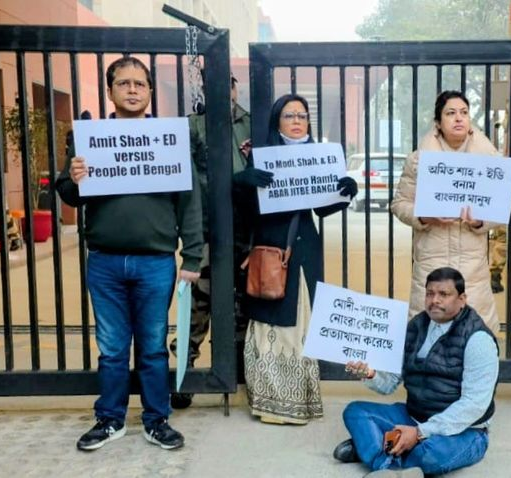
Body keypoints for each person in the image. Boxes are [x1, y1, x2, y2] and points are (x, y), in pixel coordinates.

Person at [56, 57, 203, 450]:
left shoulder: (168, 138)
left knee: (153, 346)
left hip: (155, 262)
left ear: (150, 91)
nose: (133, 90)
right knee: (112, 347)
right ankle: (110, 420)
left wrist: (192, 257)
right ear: (111, 91)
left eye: (140, 83)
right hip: (104, 262)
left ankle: (157, 420)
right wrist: (72, 178)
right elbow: (68, 194)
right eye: (124, 83)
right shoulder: (91, 138)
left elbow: (189, 200)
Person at [235, 93, 358, 425]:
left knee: (301, 325)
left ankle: (297, 403)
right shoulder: (262, 157)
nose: (297, 121)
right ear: (277, 121)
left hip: (303, 252)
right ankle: (269, 403)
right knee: (272, 325)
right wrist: (243, 184)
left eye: (302, 115)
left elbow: (323, 207)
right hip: (271, 251)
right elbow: (246, 212)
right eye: (289, 115)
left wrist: (345, 191)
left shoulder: (318, 156)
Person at [333, 267, 498, 478]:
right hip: (414, 416)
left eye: (444, 294)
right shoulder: (416, 327)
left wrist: (420, 433)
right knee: (356, 412)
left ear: (462, 299)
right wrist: (370, 374)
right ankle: (387, 467)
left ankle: (375, 447)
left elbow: (473, 405)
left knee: (431, 453)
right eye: (430, 293)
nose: (435, 300)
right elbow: (390, 383)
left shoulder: (478, 340)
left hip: (464, 431)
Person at [169, 73, 252, 409]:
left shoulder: (253, 123)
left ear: (235, 89)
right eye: (215, 86)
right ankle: (185, 372)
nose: (224, 92)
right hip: (207, 228)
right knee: (200, 301)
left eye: (229, 86)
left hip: (246, 227)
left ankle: (235, 370)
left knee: (243, 302)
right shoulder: (192, 126)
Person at [391, 90, 501, 332]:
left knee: (474, 333)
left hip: (472, 264)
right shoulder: (419, 161)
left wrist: (480, 221)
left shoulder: (489, 161)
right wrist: (423, 216)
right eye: (451, 113)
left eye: (464, 113)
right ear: (438, 123)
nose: (459, 118)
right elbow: (399, 204)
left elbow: (500, 207)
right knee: (428, 332)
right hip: (432, 258)